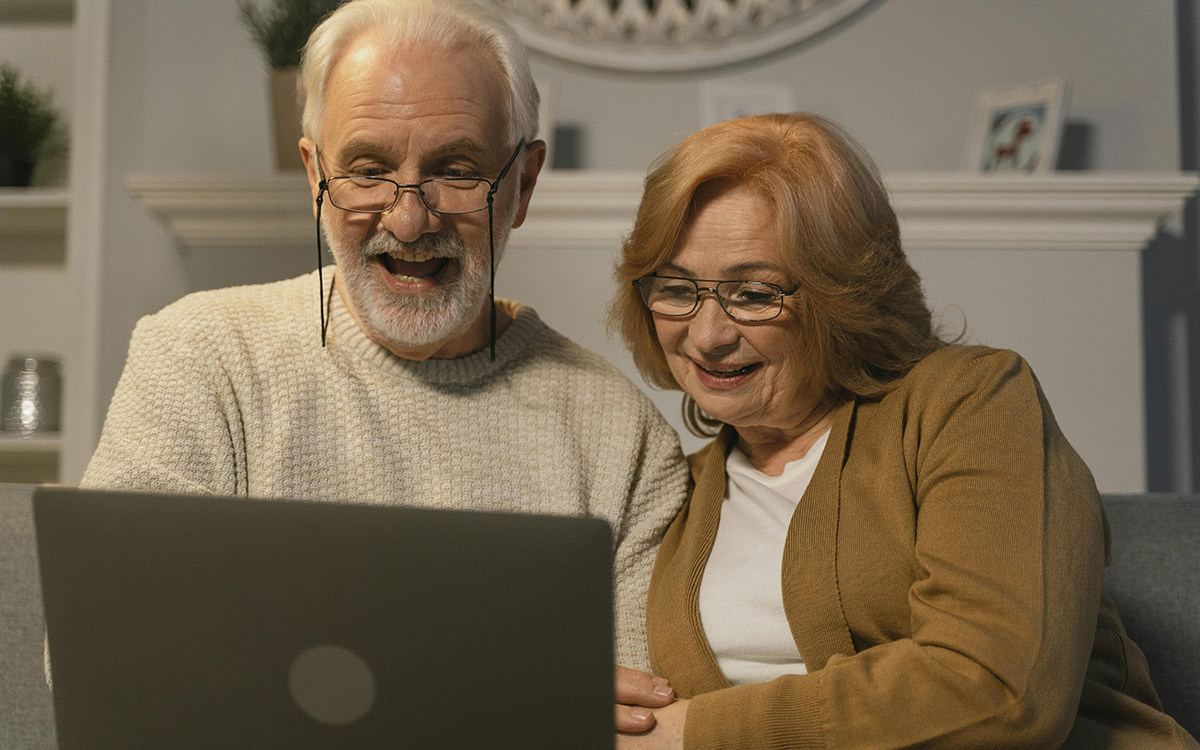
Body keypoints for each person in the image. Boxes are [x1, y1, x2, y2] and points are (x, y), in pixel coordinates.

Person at [79, 0, 686, 715]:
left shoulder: (622, 436)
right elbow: (106, 661)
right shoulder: (198, 360)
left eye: (456, 170)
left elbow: (639, 717)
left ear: (522, 185)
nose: (407, 219)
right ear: (314, 178)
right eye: (367, 170)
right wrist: (495, 694)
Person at [609, 112, 1199, 748]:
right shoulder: (673, 491)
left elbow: (999, 690)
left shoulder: (972, 402)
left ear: (844, 294)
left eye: (753, 294)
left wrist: (691, 731)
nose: (707, 336)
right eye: (676, 288)